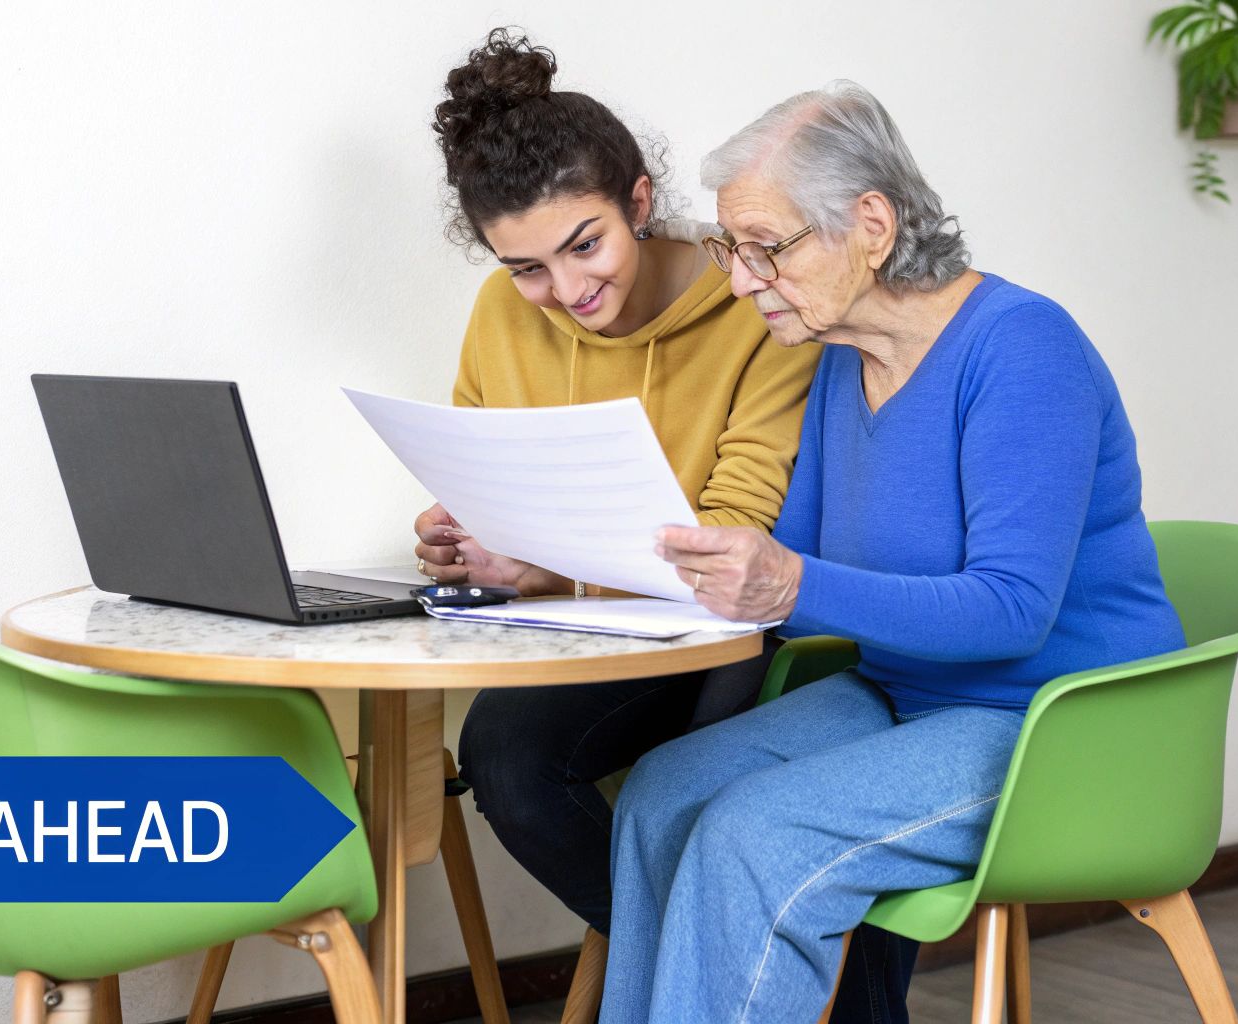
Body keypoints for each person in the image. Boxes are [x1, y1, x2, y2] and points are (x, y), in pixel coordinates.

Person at [600, 81, 1190, 1023]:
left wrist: (787, 581)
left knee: (756, 833)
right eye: (730, 248)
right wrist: (661, 560)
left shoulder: (1023, 349)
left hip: (1055, 724)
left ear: (870, 226)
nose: (741, 280)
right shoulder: (843, 359)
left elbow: (1011, 612)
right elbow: (795, 571)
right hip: (908, 698)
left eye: (766, 247)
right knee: (662, 796)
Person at [415, 30, 912, 1021]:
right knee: (504, 754)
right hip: (581, 630)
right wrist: (470, 541)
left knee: (618, 769)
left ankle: (732, 972)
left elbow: (740, 522)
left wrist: (549, 565)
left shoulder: (756, 304)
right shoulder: (499, 311)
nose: (565, 292)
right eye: (526, 268)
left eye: (583, 246)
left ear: (638, 203)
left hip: (721, 628)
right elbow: (487, 473)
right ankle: (719, 966)